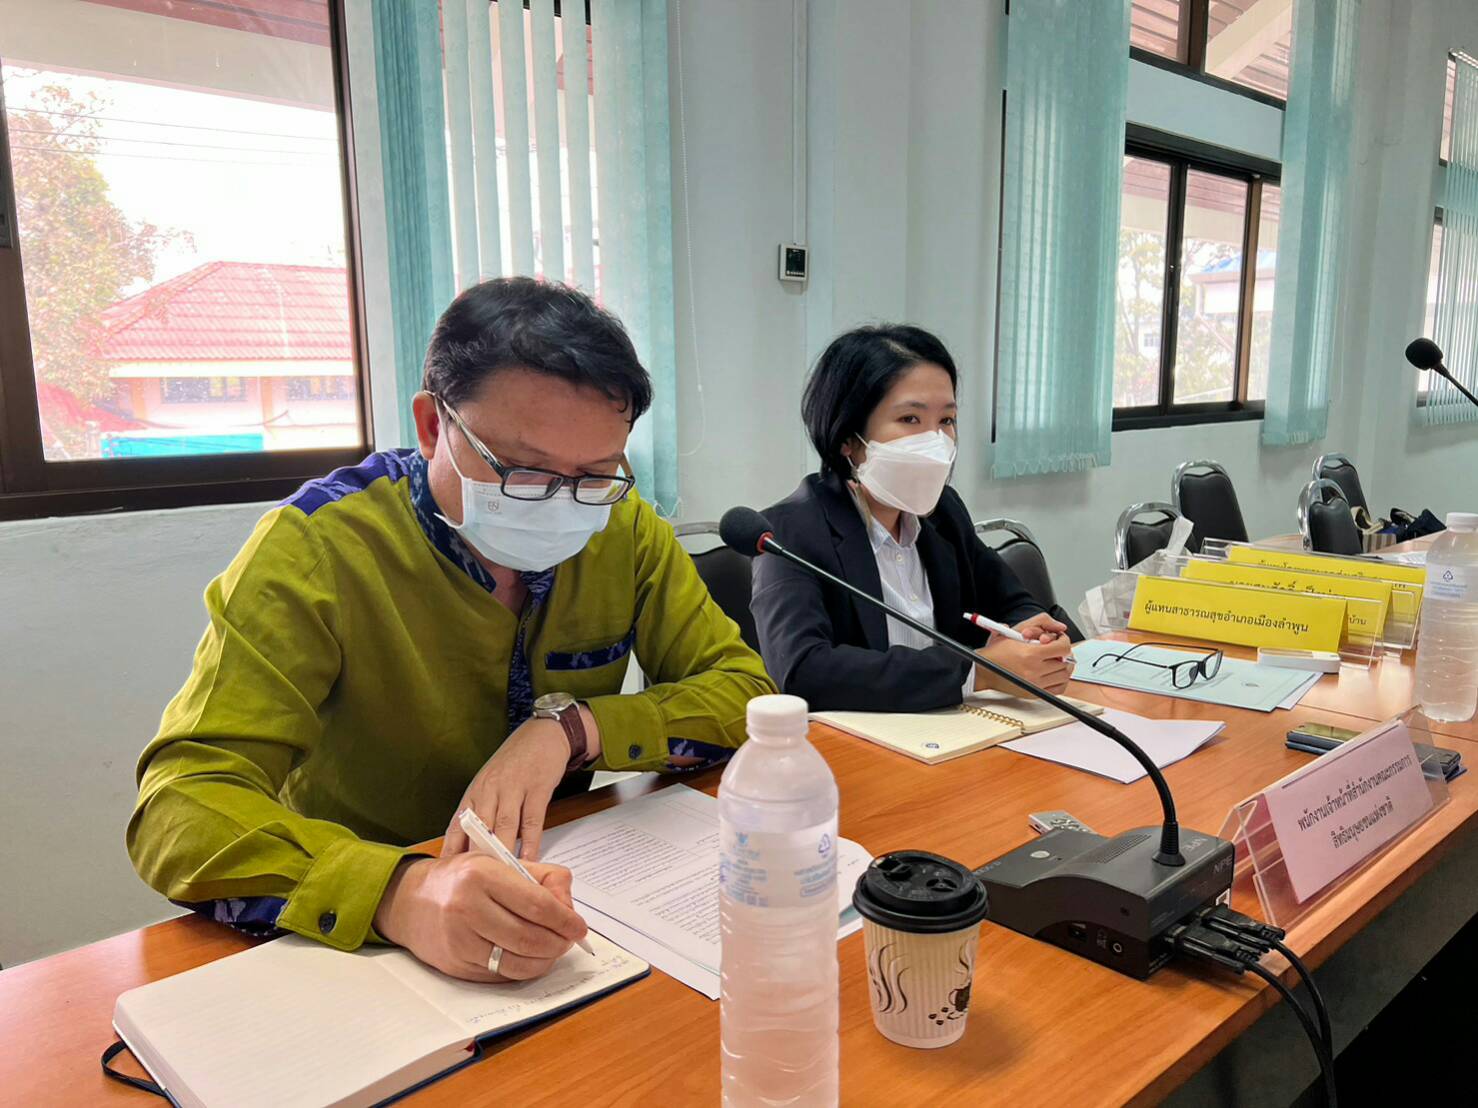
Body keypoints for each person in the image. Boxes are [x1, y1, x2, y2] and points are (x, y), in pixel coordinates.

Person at [128, 277, 774, 984]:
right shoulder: (317, 549)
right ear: (434, 426)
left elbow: (746, 696)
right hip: (366, 938)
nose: (562, 504)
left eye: (593, 474)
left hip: (565, 900)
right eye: (525, 472)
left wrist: (572, 729)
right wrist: (399, 893)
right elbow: (179, 806)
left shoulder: (623, 528)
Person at [751, 324, 1072, 713]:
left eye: (946, 420)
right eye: (910, 420)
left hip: (957, 728)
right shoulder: (789, 532)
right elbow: (803, 671)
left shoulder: (944, 512)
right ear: (847, 438)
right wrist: (979, 671)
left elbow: (1010, 599)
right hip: (859, 740)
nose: (935, 441)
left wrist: (1032, 631)